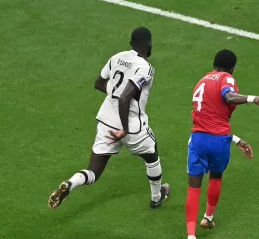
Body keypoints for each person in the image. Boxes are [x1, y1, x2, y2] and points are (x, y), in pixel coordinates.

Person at [48, 27, 170, 210]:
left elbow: (99, 83)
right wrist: (125, 129)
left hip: (106, 122)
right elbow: (124, 97)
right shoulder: (146, 68)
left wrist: (114, 91)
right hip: (131, 126)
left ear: (131, 43)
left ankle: (71, 184)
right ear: (149, 45)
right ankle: (156, 196)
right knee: (152, 154)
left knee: (93, 172)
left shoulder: (117, 57)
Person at [184, 49, 259, 239]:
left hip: (198, 139)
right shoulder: (226, 78)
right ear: (232, 68)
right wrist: (253, 99)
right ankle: (208, 217)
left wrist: (236, 139)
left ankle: (190, 236)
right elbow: (228, 97)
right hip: (219, 142)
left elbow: (208, 120)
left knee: (193, 187)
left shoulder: (201, 81)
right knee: (215, 178)